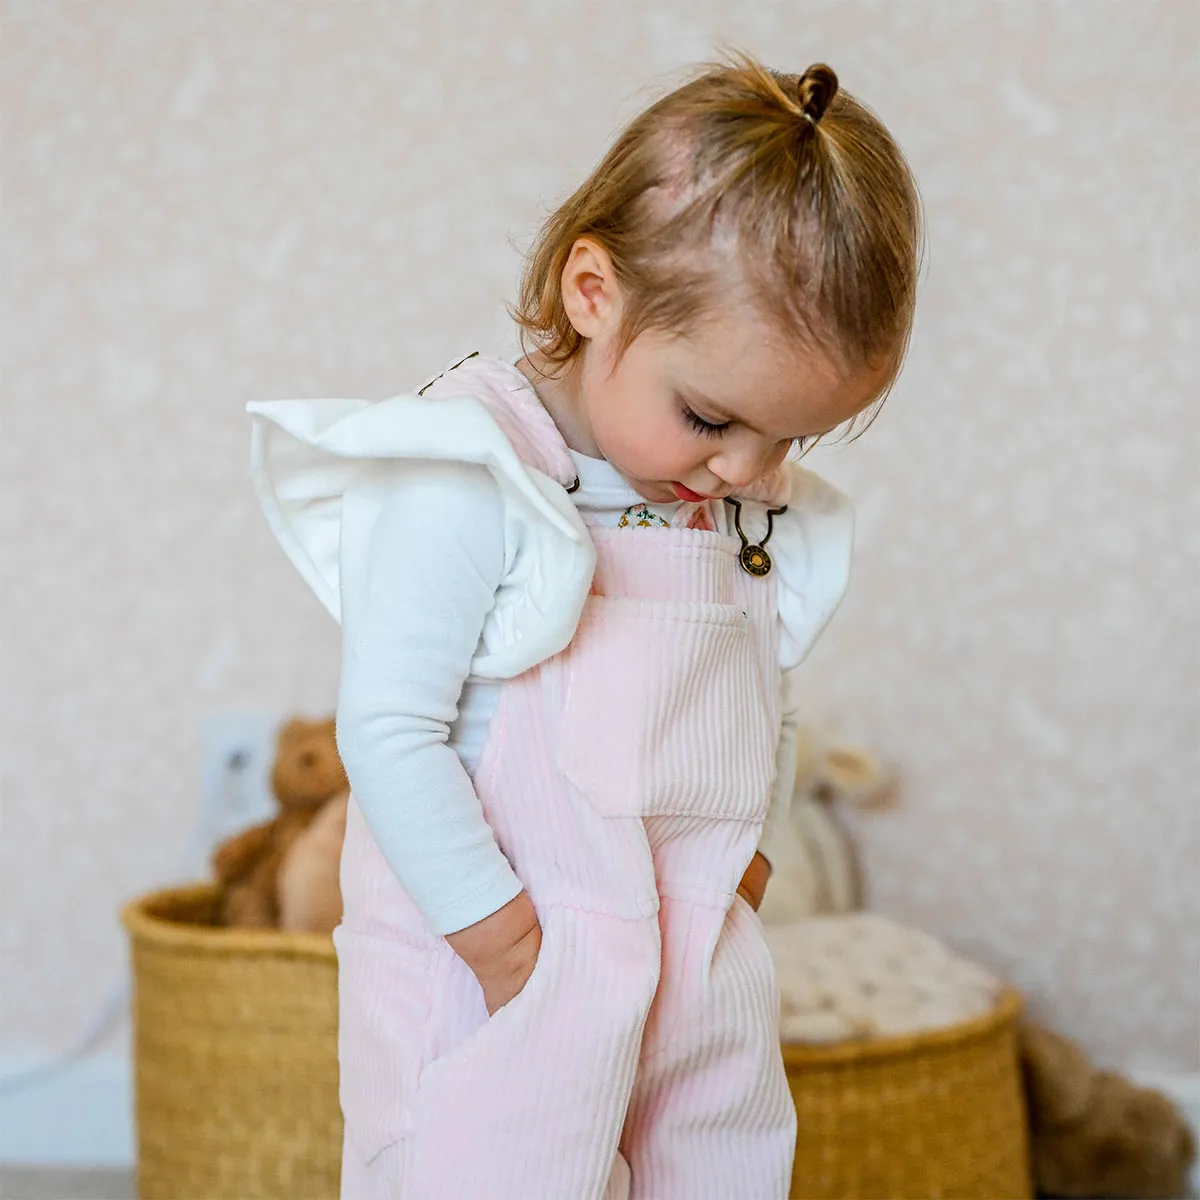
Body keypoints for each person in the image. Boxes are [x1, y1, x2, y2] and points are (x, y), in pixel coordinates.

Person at [248, 53, 921, 1200]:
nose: (749, 469)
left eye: (793, 441)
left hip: (685, 970)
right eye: (712, 417)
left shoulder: (734, 500)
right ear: (592, 293)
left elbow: (764, 692)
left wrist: (747, 863)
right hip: (498, 965)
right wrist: (503, 943)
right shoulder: (467, 473)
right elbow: (391, 730)